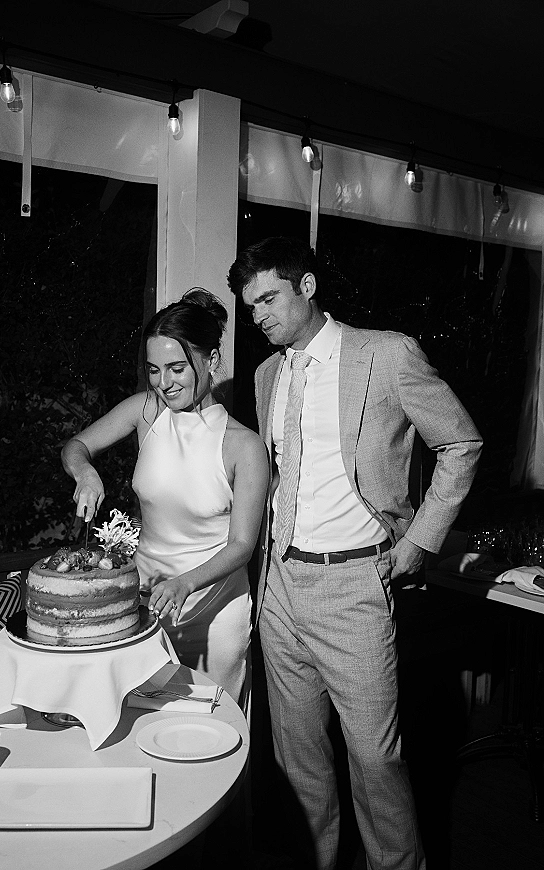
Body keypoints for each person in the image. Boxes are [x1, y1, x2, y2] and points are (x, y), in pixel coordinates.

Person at [228, 236, 483, 870]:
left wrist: (419, 542)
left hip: (355, 586)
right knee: (298, 762)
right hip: (280, 586)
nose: (256, 315)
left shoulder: (388, 354)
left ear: (307, 285)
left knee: (377, 760)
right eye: (249, 304)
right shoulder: (266, 375)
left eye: (267, 298)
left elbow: (461, 444)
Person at [61, 288, 269, 705]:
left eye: (176, 368)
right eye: (154, 370)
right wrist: (85, 472)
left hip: (213, 613)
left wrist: (184, 584)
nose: (163, 383)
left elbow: (243, 546)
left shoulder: (243, 446)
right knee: (139, 723)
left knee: (208, 730)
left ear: (211, 361)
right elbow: (76, 447)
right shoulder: (147, 412)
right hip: (144, 606)